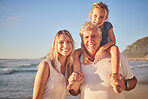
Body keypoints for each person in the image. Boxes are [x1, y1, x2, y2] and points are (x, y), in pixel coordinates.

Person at [69, 22, 137, 99]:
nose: (90, 40)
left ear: (100, 37)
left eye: (93, 36)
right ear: (82, 40)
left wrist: (124, 84)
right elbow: (74, 92)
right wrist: (75, 87)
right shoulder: (77, 59)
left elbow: (133, 81)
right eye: (86, 37)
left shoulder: (117, 56)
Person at [71, 1, 121, 93]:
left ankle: (115, 79)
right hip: (90, 47)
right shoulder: (86, 27)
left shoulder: (107, 26)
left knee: (115, 49)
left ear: (105, 18)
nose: (97, 19)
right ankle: (76, 78)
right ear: (91, 15)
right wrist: (85, 54)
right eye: (95, 16)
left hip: (105, 46)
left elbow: (113, 41)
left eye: (101, 17)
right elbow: (83, 42)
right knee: (76, 53)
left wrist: (102, 49)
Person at [33, 30, 75, 99]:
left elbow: (74, 92)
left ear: (72, 44)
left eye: (68, 41)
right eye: (61, 42)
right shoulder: (46, 65)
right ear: (55, 45)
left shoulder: (70, 67)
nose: (65, 45)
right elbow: (36, 97)